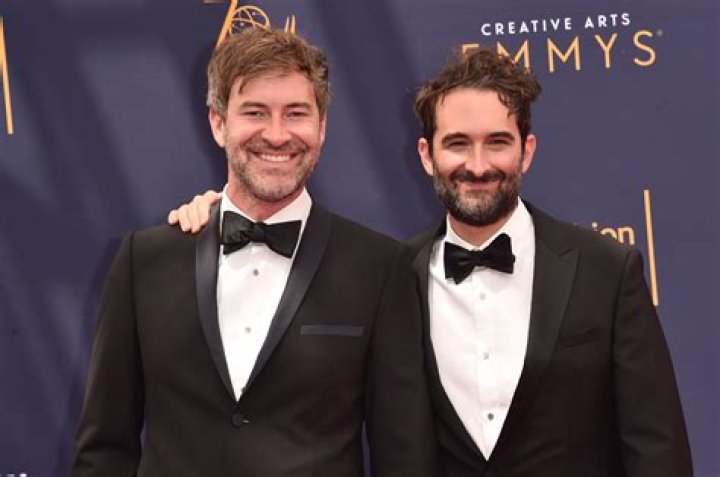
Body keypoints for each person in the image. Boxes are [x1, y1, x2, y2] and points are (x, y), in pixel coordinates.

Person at [169, 45, 693, 476]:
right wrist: (218, 213)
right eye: (457, 144)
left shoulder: (606, 269)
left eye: (498, 143)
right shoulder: (393, 275)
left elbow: (657, 447)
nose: (478, 165)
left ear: (527, 151)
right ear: (427, 155)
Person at [73, 28, 436, 477]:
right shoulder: (143, 261)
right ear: (218, 124)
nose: (277, 135)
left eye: (296, 113)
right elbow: (104, 449)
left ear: (322, 127)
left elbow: (403, 456)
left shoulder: (378, 267)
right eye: (255, 112)